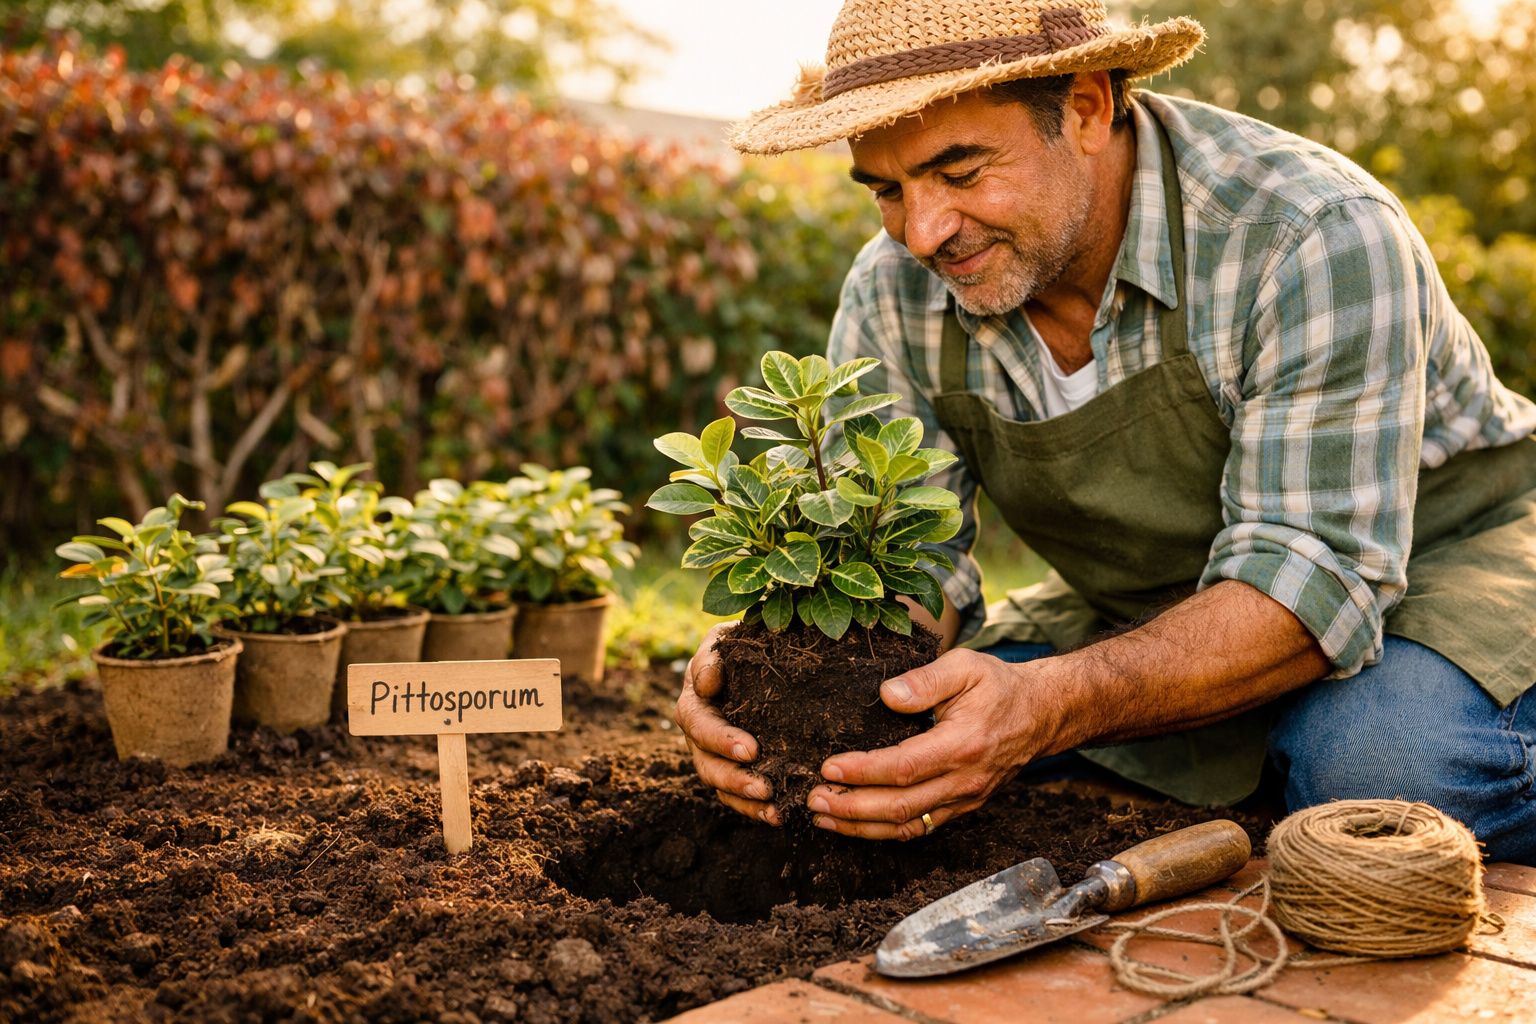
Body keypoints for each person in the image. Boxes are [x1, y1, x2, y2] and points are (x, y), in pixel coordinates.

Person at [675, 0, 1536, 864]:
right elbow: (905, 561)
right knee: (911, 724)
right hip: (1158, 592)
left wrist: (1048, 704)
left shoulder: (1307, 231)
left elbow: (1313, 579)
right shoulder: (892, 291)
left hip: (1451, 552)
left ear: (1087, 107)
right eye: (889, 192)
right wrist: (786, 659)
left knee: (1383, 764)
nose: (925, 231)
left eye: (963, 171)